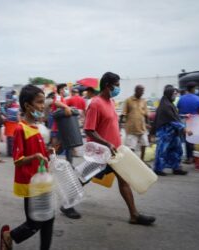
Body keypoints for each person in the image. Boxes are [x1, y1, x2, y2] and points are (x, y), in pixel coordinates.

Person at [76, 72, 156, 225]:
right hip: (101, 152)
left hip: (115, 152)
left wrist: (118, 142)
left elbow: (111, 124)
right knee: (83, 177)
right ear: (108, 86)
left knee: (123, 180)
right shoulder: (95, 103)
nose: (119, 88)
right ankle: (67, 202)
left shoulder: (111, 102)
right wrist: (107, 143)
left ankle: (134, 215)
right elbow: (88, 129)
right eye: (117, 85)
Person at [0, 84, 54, 250]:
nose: (42, 105)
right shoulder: (20, 129)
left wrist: (48, 151)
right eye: (39, 102)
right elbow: (17, 160)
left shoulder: (38, 127)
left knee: (49, 218)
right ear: (27, 105)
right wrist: (35, 156)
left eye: (43, 101)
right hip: (30, 183)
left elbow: (41, 151)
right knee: (35, 222)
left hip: (43, 179)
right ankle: (9, 236)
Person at [153, 87, 191, 176]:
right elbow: (172, 120)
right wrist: (184, 128)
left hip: (173, 133)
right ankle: (158, 169)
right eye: (174, 94)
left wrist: (184, 116)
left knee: (177, 150)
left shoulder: (170, 104)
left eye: (176, 94)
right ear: (169, 94)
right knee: (162, 151)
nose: (175, 96)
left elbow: (174, 116)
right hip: (165, 133)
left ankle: (176, 167)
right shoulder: (165, 106)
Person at [177, 82, 199, 164]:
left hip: (183, 120)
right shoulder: (198, 98)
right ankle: (192, 157)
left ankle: (187, 157)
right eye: (195, 88)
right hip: (194, 120)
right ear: (192, 89)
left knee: (184, 140)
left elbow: (178, 109)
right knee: (192, 139)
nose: (196, 89)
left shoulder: (181, 98)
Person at [121, 85, 150, 160]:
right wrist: (120, 125)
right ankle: (132, 162)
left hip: (142, 128)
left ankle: (142, 160)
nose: (142, 93)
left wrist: (148, 124)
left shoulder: (143, 101)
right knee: (131, 147)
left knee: (144, 144)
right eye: (141, 91)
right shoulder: (128, 100)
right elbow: (123, 114)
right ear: (136, 91)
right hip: (131, 129)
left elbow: (146, 114)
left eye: (143, 91)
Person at [49, 84, 73, 163]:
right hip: (58, 126)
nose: (65, 90)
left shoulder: (62, 97)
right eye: (63, 89)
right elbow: (56, 103)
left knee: (66, 145)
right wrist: (66, 107)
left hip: (61, 126)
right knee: (58, 147)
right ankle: (50, 161)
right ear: (60, 90)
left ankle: (69, 163)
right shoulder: (58, 96)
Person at [3, 91, 20, 157]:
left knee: (10, 138)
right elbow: (17, 114)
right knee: (13, 138)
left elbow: (4, 113)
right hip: (13, 123)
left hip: (9, 123)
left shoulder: (7, 104)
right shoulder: (14, 104)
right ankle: (12, 152)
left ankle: (10, 152)